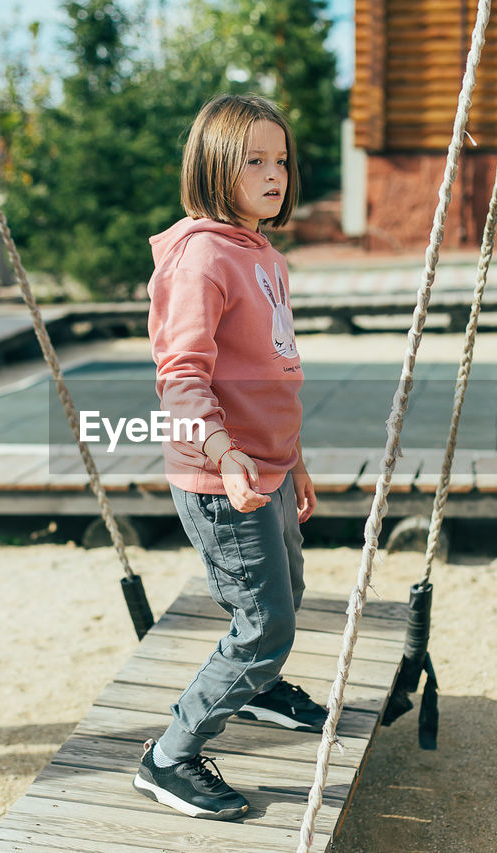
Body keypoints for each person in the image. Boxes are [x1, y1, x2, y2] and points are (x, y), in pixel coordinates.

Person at [132, 93, 327, 821]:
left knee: (288, 590)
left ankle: (261, 688)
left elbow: (272, 370)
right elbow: (182, 373)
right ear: (216, 165)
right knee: (263, 624)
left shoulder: (264, 255)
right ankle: (169, 756)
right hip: (224, 476)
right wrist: (225, 450)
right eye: (255, 161)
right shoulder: (203, 258)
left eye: (281, 160)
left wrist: (294, 457)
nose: (274, 174)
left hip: (267, 466)